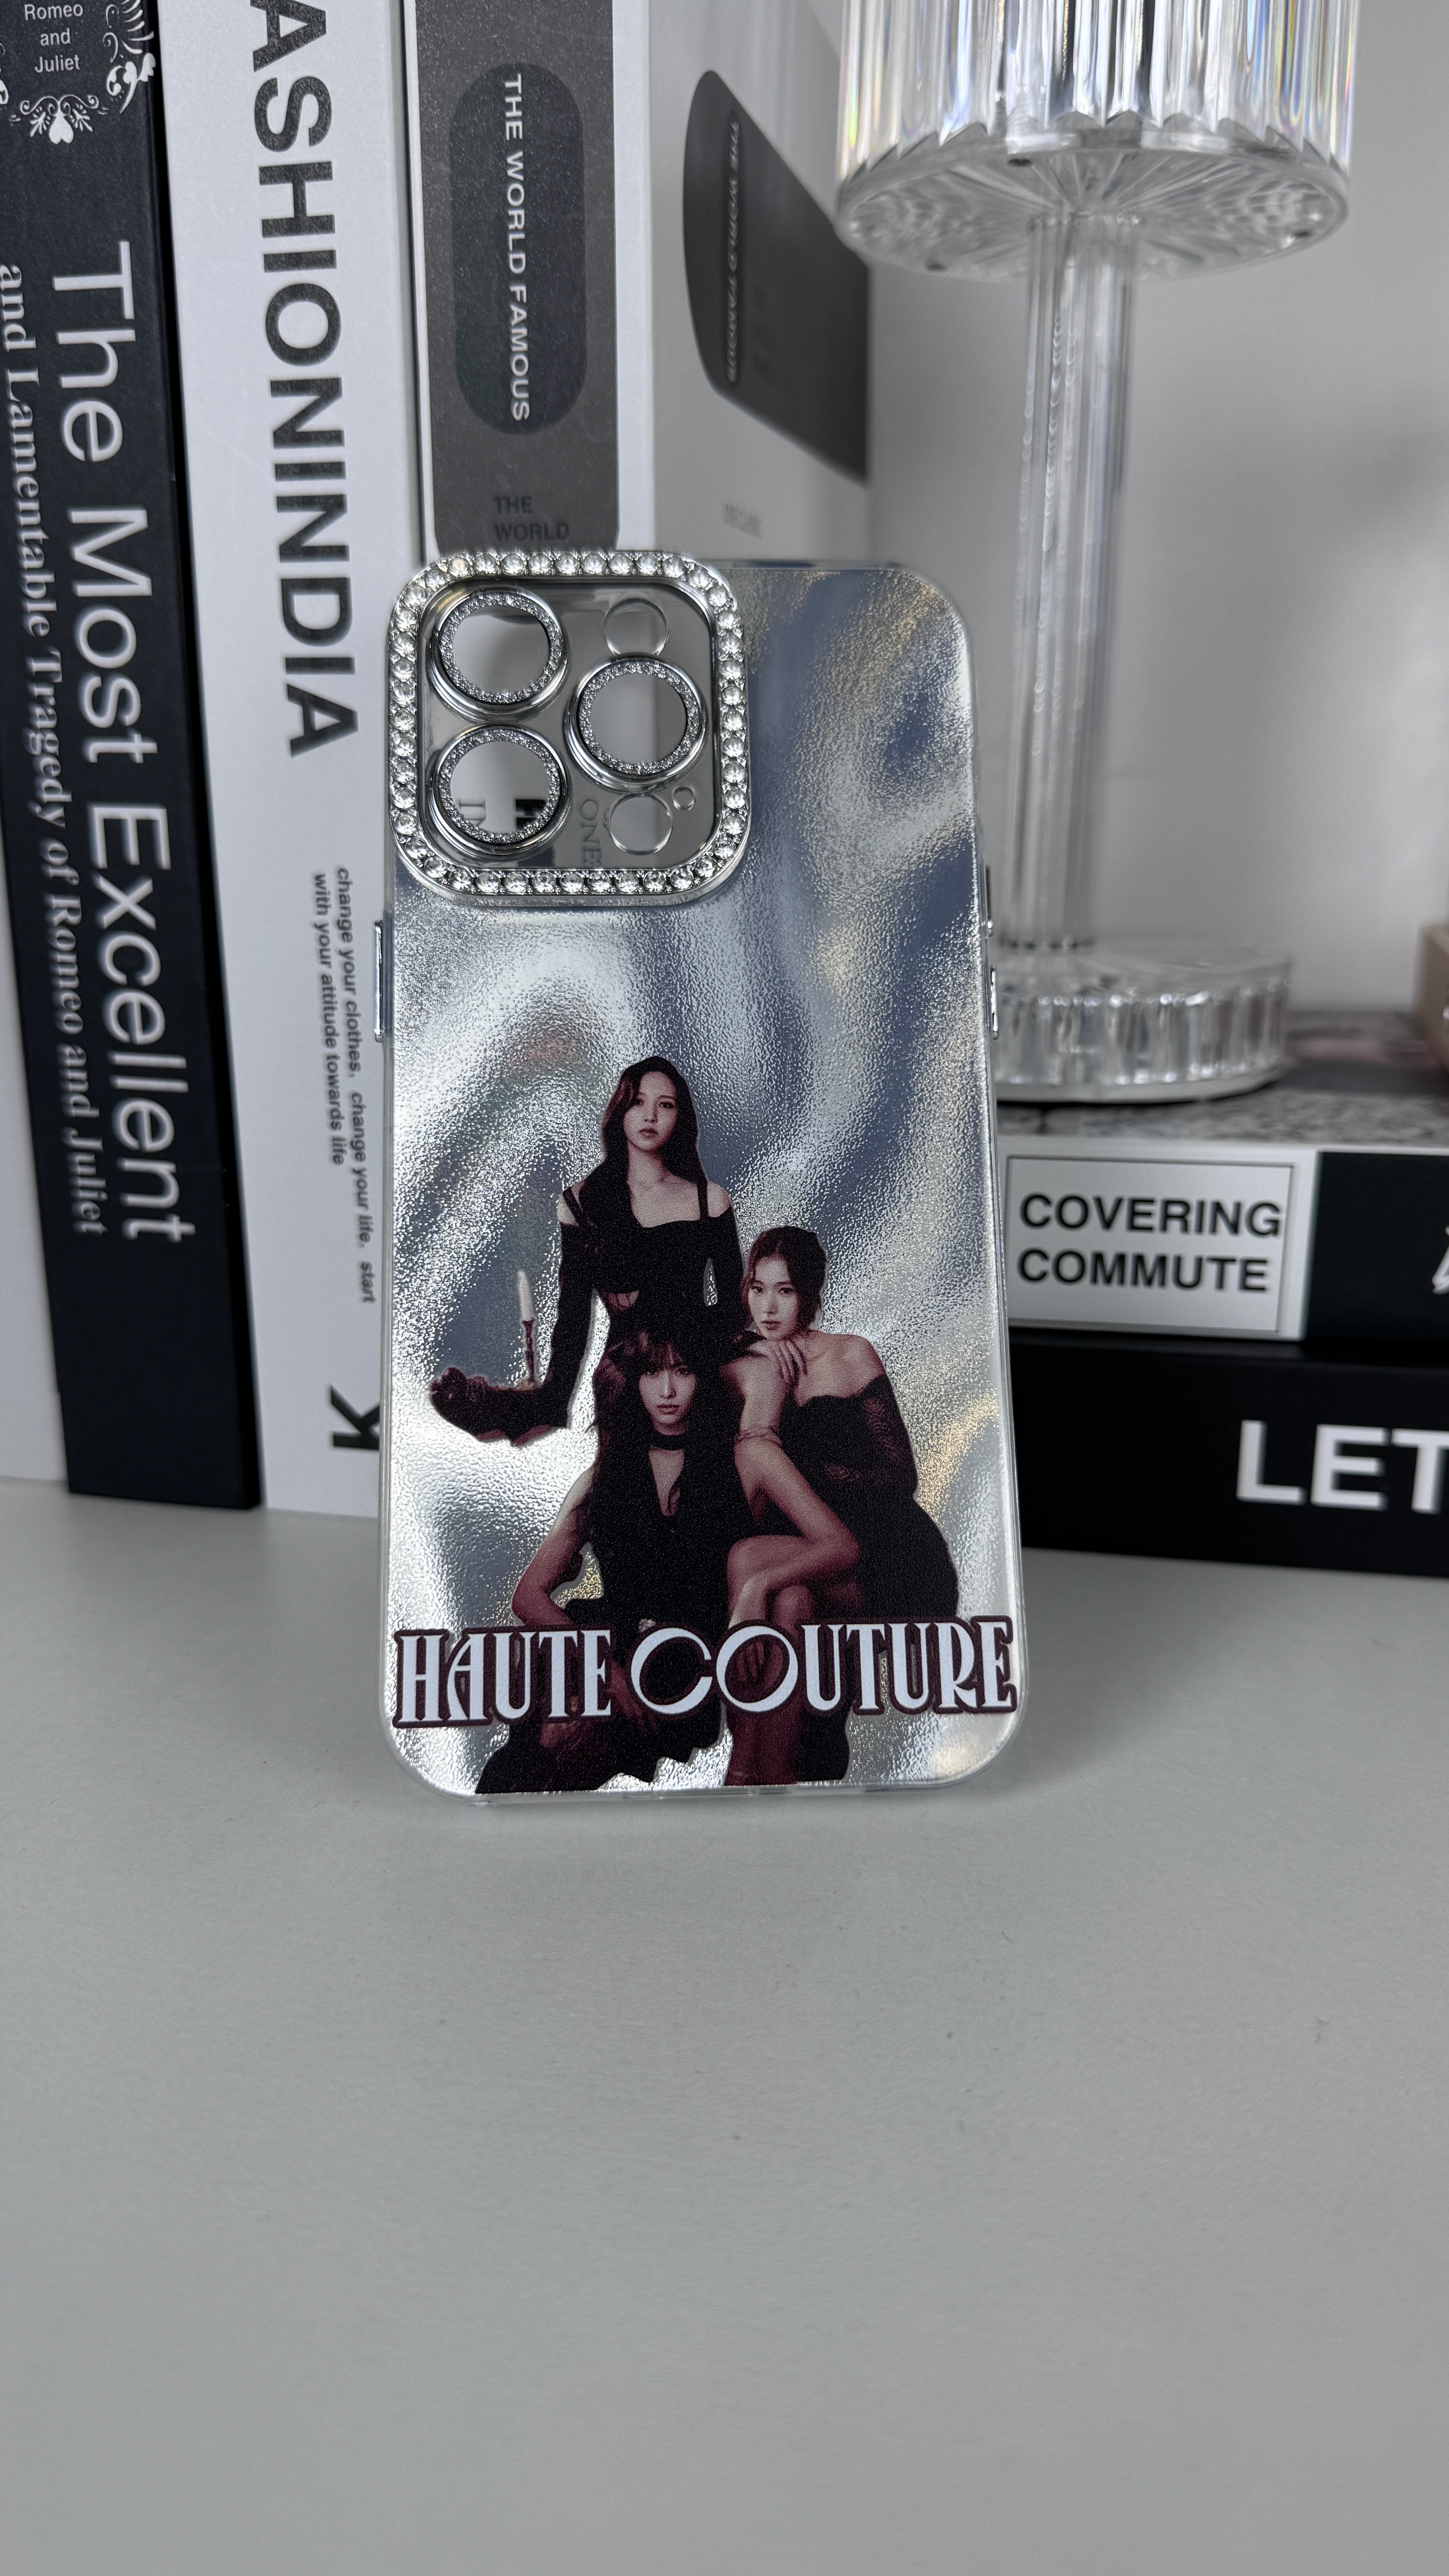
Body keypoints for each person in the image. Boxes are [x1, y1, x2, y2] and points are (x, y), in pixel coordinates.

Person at [475, 1313, 857, 1795]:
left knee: (571, 1751)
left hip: (681, 1664)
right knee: (540, 1750)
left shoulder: (747, 1458)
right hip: (602, 1649)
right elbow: (529, 1596)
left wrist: (755, 1588)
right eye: (652, 1373)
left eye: (683, 1371)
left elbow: (841, 1546)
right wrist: (605, 1671)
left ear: (705, 1379)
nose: (668, 1390)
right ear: (633, 1383)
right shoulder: (602, 1476)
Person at [431, 1057, 742, 1445]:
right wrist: (553, 1403)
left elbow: (733, 1308)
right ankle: (519, 1411)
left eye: (665, 1105)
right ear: (620, 1110)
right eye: (638, 1102)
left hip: (694, 1367)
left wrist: (699, 1346)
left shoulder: (709, 1201)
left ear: (680, 1118)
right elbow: (574, 1317)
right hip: (625, 1373)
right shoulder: (581, 1203)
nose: (650, 1116)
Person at [727, 1226, 959, 1632]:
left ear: (808, 1295)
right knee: (788, 1599)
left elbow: (901, 1476)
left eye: (785, 1291)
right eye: (758, 1290)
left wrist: (798, 1475)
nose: (769, 1308)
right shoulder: (745, 1362)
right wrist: (755, 1348)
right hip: (809, 1549)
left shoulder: (850, 1353)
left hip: (888, 1552)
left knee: (752, 1563)